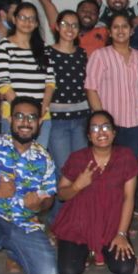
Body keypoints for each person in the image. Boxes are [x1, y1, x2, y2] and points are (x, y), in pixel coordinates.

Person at [0, 97, 58, 274]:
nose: (25, 123)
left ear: (40, 122)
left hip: (24, 222)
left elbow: (49, 196)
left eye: (31, 117)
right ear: (10, 119)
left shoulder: (44, 157)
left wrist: (39, 206)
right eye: (19, 116)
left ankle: (14, 252)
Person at [51, 110, 138, 274]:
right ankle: (87, 251)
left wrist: (121, 234)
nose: (101, 132)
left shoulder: (125, 157)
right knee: (69, 272)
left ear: (114, 132)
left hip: (111, 225)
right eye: (95, 128)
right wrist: (77, 185)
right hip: (78, 225)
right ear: (89, 136)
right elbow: (61, 194)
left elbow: (129, 198)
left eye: (106, 127)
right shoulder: (77, 158)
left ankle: (98, 251)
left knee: (124, 269)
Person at [84, 13, 138, 161]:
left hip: (137, 124)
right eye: (116, 27)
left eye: (125, 26)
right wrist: (102, 121)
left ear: (131, 31)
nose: (120, 30)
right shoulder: (100, 56)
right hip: (110, 126)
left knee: (131, 168)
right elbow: (91, 89)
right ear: (109, 32)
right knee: (108, 168)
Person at [0, 1, 54, 147]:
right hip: (14, 116)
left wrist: (40, 111)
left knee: (38, 157)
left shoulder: (44, 48)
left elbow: (50, 82)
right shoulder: (4, 45)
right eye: (22, 17)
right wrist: (22, 112)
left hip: (41, 116)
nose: (27, 22)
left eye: (31, 18)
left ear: (36, 23)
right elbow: (3, 83)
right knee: (13, 157)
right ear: (14, 20)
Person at [44, 9, 90, 177]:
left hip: (81, 119)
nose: (70, 29)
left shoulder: (82, 54)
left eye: (74, 25)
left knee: (81, 169)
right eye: (65, 24)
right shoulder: (46, 53)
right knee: (63, 170)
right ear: (56, 27)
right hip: (57, 120)